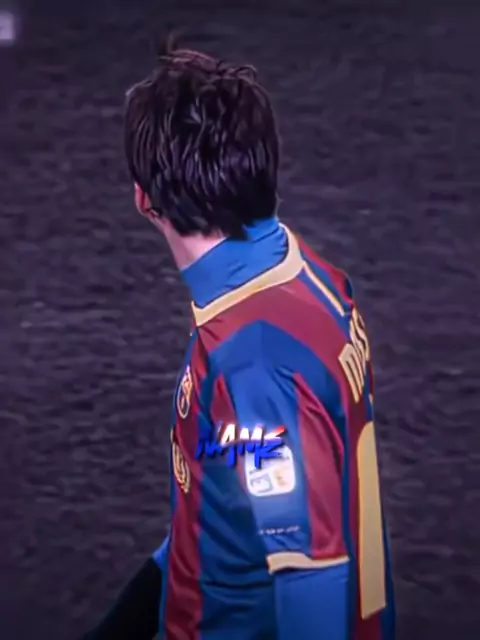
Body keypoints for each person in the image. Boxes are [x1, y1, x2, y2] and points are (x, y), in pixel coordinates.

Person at [82, 37, 395, 640]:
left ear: (144, 199)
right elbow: (228, 505)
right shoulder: (302, 275)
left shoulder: (252, 362)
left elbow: (311, 576)